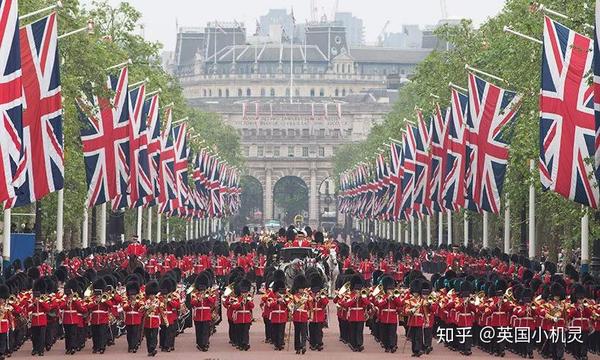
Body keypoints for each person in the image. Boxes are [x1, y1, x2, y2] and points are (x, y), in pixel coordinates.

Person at [340, 274, 370, 352]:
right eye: (356, 289)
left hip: (360, 315)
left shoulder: (363, 295)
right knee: (353, 330)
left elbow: (367, 303)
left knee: (359, 330)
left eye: (358, 289)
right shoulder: (349, 295)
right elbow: (345, 304)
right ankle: (353, 345)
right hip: (352, 315)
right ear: (353, 289)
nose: (357, 291)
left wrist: (362, 298)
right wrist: (354, 299)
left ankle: (359, 344)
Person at [374, 275, 402, 353]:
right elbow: (379, 304)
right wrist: (386, 299)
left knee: (392, 332)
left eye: (391, 289)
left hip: (392, 317)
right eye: (389, 289)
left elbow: (400, 304)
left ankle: (393, 345)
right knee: (385, 333)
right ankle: (387, 346)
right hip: (384, 317)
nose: (390, 290)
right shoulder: (381, 296)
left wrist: (394, 298)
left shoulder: (396, 296)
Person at [191, 273, 216, 352]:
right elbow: (192, 303)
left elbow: (213, 302)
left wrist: (207, 297)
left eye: (203, 288)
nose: (202, 290)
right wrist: (198, 299)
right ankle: (199, 344)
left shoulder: (210, 293)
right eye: (201, 288)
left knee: (205, 330)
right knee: (199, 331)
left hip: (206, 315)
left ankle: (204, 344)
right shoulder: (195, 294)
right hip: (198, 315)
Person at [229, 279, 253, 351]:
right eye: (243, 291)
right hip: (239, 317)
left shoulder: (249, 297)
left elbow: (252, 306)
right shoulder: (235, 298)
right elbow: (234, 306)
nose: (244, 293)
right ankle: (240, 344)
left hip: (246, 317)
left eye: (245, 291)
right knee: (239, 332)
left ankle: (245, 343)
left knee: (246, 331)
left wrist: (248, 301)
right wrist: (241, 303)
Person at [142, 280, 164, 357]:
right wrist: (145, 308)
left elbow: (162, 311)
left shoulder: (158, 302)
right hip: (148, 322)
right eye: (150, 295)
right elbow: (140, 310)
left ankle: (153, 347)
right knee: (148, 337)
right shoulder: (146, 302)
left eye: (153, 295)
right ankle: (150, 351)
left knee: (154, 336)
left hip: (155, 321)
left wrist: (165, 321)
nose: (152, 296)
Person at [266, 280, 289, 351]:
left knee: (281, 330)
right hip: (275, 316)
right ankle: (276, 344)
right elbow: (269, 305)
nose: (279, 293)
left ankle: (281, 343)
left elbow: (288, 305)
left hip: (282, 315)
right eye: (278, 292)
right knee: (275, 331)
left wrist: (285, 301)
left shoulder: (285, 296)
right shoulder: (271, 296)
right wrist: (277, 301)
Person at [308, 274, 328, 352]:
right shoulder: (309, 294)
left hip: (319, 315)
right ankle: (313, 344)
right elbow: (307, 303)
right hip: (312, 315)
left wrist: (321, 297)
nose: (316, 292)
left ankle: (319, 343)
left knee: (319, 331)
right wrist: (312, 298)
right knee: (312, 330)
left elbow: (326, 303)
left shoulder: (322, 294)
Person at [291, 274, 310, 354]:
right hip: (296, 316)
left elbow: (310, 307)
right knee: (297, 332)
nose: (301, 290)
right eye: (300, 289)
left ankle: (303, 346)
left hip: (304, 316)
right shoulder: (294, 296)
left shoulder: (307, 297)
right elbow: (291, 307)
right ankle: (297, 347)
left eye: (302, 288)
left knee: (303, 332)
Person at [123, 281, 143, 353]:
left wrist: (136, 303)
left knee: (135, 333)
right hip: (128, 320)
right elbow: (124, 308)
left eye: (134, 295)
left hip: (136, 320)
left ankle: (134, 347)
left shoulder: (139, 301)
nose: (132, 296)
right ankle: (130, 346)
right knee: (129, 334)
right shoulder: (126, 301)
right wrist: (130, 304)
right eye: (131, 295)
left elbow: (142, 307)